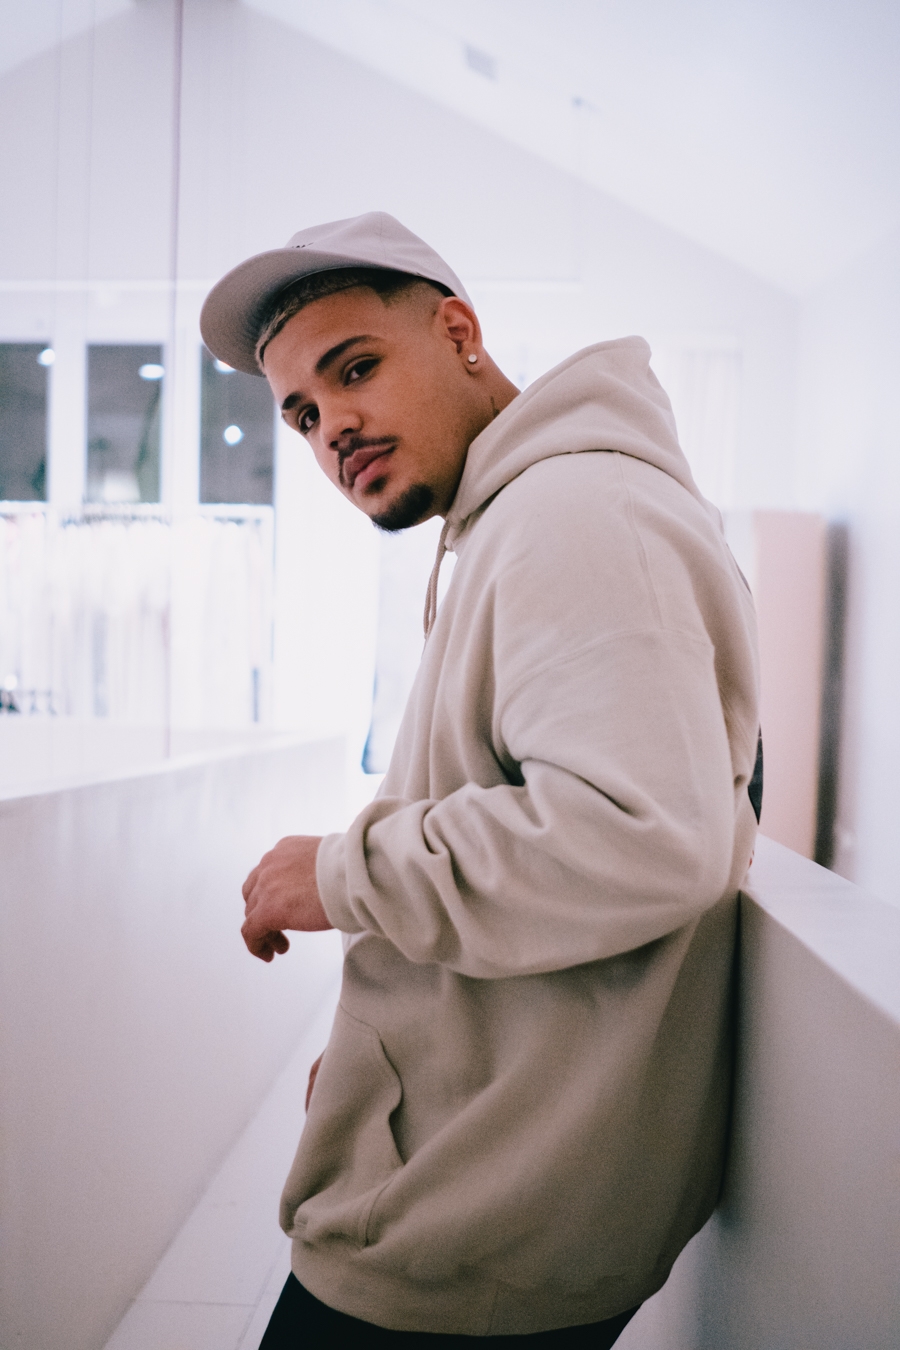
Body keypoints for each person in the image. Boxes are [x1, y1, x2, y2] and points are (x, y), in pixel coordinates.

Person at [200, 212, 760, 1346]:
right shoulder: (524, 517)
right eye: (302, 413)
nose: (330, 426)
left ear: (458, 333)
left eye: (355, 368)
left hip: (473, 1236)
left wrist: (341, 875)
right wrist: (393, 1051)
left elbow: (642, 835)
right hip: (478, 1189)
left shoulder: (577, 514)